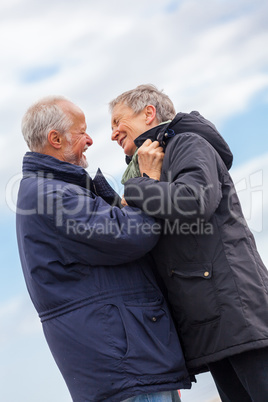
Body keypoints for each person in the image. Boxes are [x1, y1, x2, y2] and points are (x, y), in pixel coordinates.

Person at [16, 96, 192, 402]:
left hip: (126, 362)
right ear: (55, 139)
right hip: (125, 366)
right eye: (81, 132)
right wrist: (148, 181)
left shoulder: (54, 189)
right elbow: (131, 235)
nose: (91, 139)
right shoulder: (51, 194)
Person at [110, 84, 268, 402]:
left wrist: (140, 187)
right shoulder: (150, 166)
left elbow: (193, 201)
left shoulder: (186, 142)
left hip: (235, 313)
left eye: (117, 122)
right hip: (210, 320)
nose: (112, 133)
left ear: (149, 113)